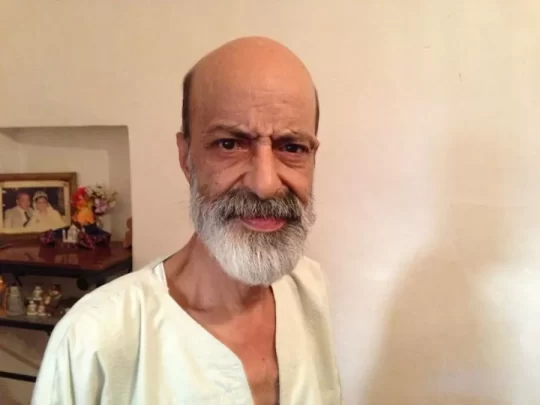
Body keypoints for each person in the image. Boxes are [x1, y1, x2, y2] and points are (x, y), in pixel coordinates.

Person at [32, 37, 343, 405]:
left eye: (292, 148)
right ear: (186, 157)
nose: (265, 185)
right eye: (230, 144)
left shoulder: (309, 287)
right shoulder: (93, 340)